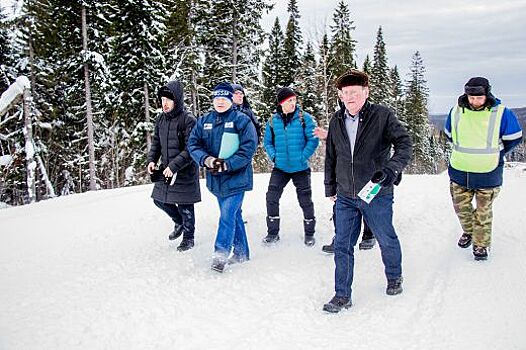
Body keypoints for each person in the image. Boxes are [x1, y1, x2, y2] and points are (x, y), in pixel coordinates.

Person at [322, 70, 412, 313]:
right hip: (345, 195)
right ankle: (342, 295)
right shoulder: (337, 120)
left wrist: (392, 169)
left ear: (366, 92)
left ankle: (394, 276)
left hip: (375, 191)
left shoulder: (382, 116)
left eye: (354, 92)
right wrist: (330, 186)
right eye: (345, 93)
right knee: (342, 245)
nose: (349, 97)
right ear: (340, 96)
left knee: (385, 237)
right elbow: (332, 155)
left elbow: (404, 143)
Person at [444, 77, 522, 261]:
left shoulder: (501, 113)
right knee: (461, 208)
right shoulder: (455, 111)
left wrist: (495, 153)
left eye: (479, 97)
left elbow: (515, 137)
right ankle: (469, 232)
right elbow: (449, 135)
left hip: (489, 171)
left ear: (487, 94)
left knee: (482, 211)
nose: (474, 101)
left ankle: (481, 245)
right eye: (471, 97)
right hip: (459, 169)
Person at [187, 82, 257, 272]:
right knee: (234, 215)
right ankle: (242, 252)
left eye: (223, 98)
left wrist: (227, 164)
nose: (219, 101)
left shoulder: (242, 120)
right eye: (216, 98)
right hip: (215, 179)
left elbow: (248, 149)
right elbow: (193, 144)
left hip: (237, 178)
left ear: (230, 100)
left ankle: (220, 253)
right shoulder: (204, 121)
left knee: (227, 215)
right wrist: (206, 159)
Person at [147, 80, 201, 252]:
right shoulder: (160, 120)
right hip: (166, 168)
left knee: (185, 205)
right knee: (159, 199)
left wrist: (174, 166)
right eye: (162, 100)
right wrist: (151, 160)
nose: (164, 103)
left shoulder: (188, 120)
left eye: (168, 100)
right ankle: (178, 222)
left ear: (177, 100)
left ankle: (189, 237)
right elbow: (156, 143)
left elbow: (191, 149)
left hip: (184, 170)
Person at [262, 87, 319, 246]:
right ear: (281, 103)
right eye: (289, 101)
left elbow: (313, 140)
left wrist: (303, 156)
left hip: (300, 167)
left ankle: (309, 233)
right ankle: (272, 233)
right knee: (271, 197)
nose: (293, 103)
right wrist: (274, 156)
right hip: (280, 167)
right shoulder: (273, 121)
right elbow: (267, 142)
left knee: (305, 200)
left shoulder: (304, 118)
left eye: (294, 100)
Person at [314, 127, 378, 253]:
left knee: (368, 202)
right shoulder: (342, 118)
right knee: (340, 206)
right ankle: (341, 238)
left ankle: (370, 234)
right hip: (346, 173)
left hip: (369, 169)